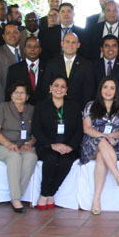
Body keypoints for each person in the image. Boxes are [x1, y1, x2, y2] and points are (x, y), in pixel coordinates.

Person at [81, 77, 119, 215]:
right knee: (102, 142)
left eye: (112, 88)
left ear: (116, 91)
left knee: (102, 155)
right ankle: (118, 176)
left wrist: (111, 137)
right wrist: (104, 136)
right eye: (105, 87)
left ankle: (96, 200)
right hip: (91, 144)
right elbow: (87, 129)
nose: (108, 91)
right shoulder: (91, 105)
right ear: (100, 89)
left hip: (116, 145)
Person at [32, 76, 83, 209]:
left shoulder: (74, 106)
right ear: (50, 88)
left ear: (66, 90)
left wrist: (70, 146)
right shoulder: (41, 106)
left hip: (69, 147)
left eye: (62, 86)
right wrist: (52, 144)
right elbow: (36, 130)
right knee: (51, 159)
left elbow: (79, 130)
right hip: (47, 145)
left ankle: (50, 193)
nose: (59, 89)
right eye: (56, 85)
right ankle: (45, 194)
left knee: (65, 161)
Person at [0, 81, 36, 213]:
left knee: (31, 157)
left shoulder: (32, 110)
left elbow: (38, 132)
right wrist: (9, 144)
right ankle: (16, 199)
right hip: (2, 145)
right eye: (16, 92)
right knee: (14, 157)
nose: (19, 95)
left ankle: (17, 193)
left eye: (22, 93)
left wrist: (30, 143)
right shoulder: (3, 107)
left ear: (27, 96)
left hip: (23, 146)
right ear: (11, 95)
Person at [45, 32, 95, 110]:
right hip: (54, 108)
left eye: (73, 42)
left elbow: (88, 90)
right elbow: (46, 87)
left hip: (78, 110)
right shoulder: (51, 63)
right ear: (62, 43)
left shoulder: (86, 65)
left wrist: (83, 110)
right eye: (67, 42)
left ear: (78, 45)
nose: (70, 45)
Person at [0, 24, 24, 105]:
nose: (12, 35)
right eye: (8, 33)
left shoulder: (26, 51)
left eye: (15, 32)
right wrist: (4, 105)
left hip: (25, 103)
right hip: (5, 103)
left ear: (20, 35)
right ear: (3, 36)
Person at [5, 36, 47, 105]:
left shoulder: (47, 67)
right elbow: (8, 94)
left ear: (40, 50)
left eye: (36, 46)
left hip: (42, 109)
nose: (32, 49)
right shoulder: (14, 69)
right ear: (24, 49)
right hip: (21, 109)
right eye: (29, 46)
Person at [91, 35, 119, 104]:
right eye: (107, 46)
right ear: (101, 49)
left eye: (114, 46)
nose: (110, 49)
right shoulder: (93, 65)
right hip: (98, 104)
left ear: (118, 48)